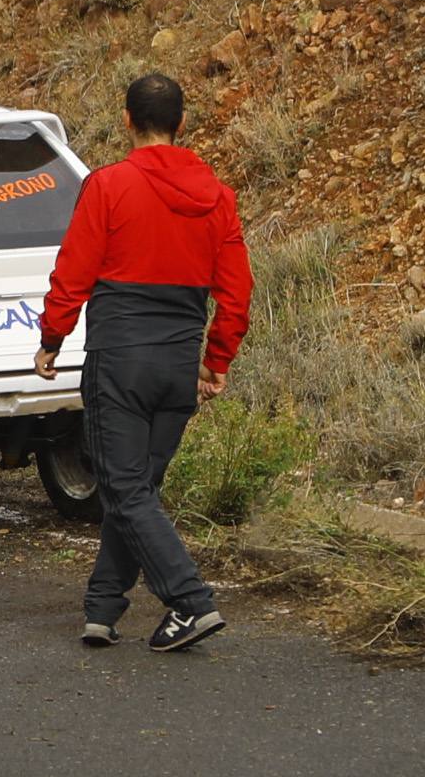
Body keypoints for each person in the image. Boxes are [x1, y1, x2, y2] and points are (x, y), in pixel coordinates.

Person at [37, 72, 252, 653]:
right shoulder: (219, 197)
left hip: (120, 360)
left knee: (125, 490)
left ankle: (190, 601)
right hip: (179, 361)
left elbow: (74, 270)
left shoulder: (109, 186)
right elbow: (236, 292)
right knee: (137, 491)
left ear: (126, 120)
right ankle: (103, 609)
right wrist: (217, 360)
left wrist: (52, 337)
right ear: (182, 124)